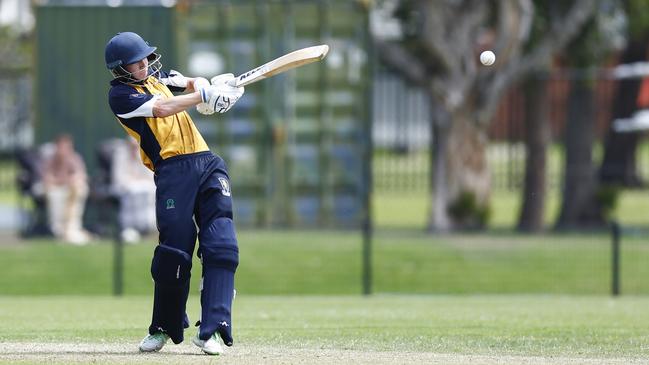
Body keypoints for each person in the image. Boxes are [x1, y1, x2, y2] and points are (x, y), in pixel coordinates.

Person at [104, 31, 244, 355]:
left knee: (222, 243)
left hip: (207, 162)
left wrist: (221, 87)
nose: (145, 64)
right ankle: (164, 326)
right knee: (174, 253)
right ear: (122, 70)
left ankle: (214, 329)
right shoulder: (121, 97)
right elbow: (165, 108)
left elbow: (190, 83)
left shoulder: (160, 78)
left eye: (146, 57)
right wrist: (204, 96)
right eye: (137, 62)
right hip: (172, 172)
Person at [41, 134, 91, 245]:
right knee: (54, 193)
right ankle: (58, 229)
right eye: (61, 147)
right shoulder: (50, 159)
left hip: (71, 191)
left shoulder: (75, 158)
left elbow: (80, 176)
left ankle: (73, 227)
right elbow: (47, 178)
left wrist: (69, 181)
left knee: (80, 189)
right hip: (56, 190)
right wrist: (63, 181)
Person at [111, 137, 156, 242]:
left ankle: (148, 226)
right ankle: (129, 226)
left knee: (147, 190)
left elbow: (150, 176)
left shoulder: (144, 154)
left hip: (143, 187)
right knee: (132, 191)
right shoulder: (120, 155)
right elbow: (118, 177)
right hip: (124, 188)